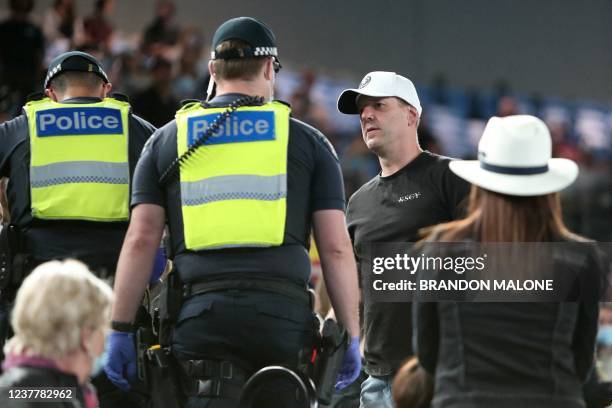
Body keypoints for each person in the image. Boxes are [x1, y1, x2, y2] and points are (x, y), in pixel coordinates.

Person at [106, 16, 361, 407]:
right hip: (282, 327)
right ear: (267, 68)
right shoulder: (309, 143)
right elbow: (336, 249)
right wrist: (351, 334)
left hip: (200, 323)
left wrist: (119, 328)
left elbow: (141, 240)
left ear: (212, 70)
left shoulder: (166, 141)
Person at [413, 115, 604, 407]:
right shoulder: (581, 258)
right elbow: (581, 363)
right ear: (547, 188)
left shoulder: (442, 249)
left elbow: (428, 353)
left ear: (481, 183)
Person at [0, 50, 156, 407]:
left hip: (38, 293)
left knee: (37, 391)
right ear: (106, 89)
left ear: (50, 94)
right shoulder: (135, 127)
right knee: (110, 392)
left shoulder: (23, 127)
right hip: (115, 298)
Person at [336, 71, 470, 407]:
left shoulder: (453, 178)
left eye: (379, 105)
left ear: (412, 114)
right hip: (378, 381)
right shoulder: (358, 203)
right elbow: (358, 288)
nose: (366, 115)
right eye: (363, 109)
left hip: (440, 376)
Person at [0, 259, 113, 408]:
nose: (106, 338)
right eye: (104, 328)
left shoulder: (32, 390)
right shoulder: (44, 397)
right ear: (86, 337)